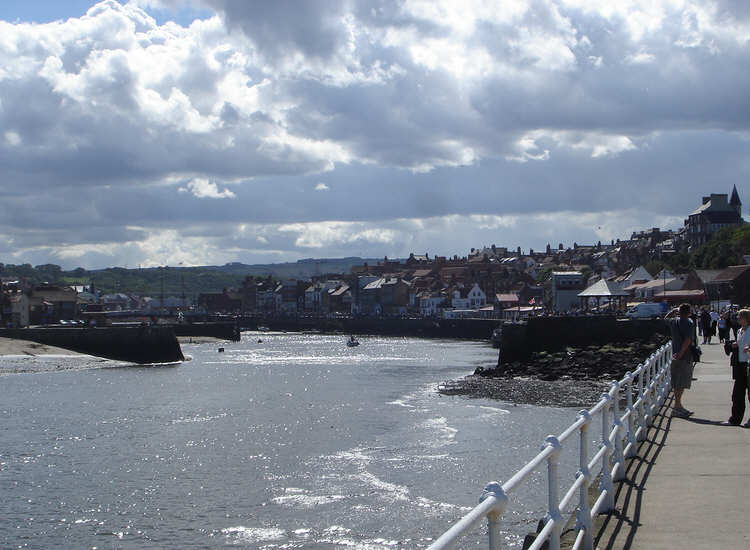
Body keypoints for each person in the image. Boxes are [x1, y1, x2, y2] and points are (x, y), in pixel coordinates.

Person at [670, 303, 696, 417]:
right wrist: (681, 353)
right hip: (684, 356)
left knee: (677, 381)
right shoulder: (689, 322)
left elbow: (664, 319)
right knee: (681, 382)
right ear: (689, 312)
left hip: (675, 354)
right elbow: (688, 340)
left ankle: (678, 405)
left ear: (679, 312)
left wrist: (673, 311)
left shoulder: (674, 321)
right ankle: (677, 407)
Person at [725, 309, 750, 426]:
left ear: (746, 318)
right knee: (737, 394)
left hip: (748, 363)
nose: (738, 318)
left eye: (740, 316)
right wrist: (734, 344)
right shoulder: (740, 330)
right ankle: (735, 419)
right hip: (740, 364)